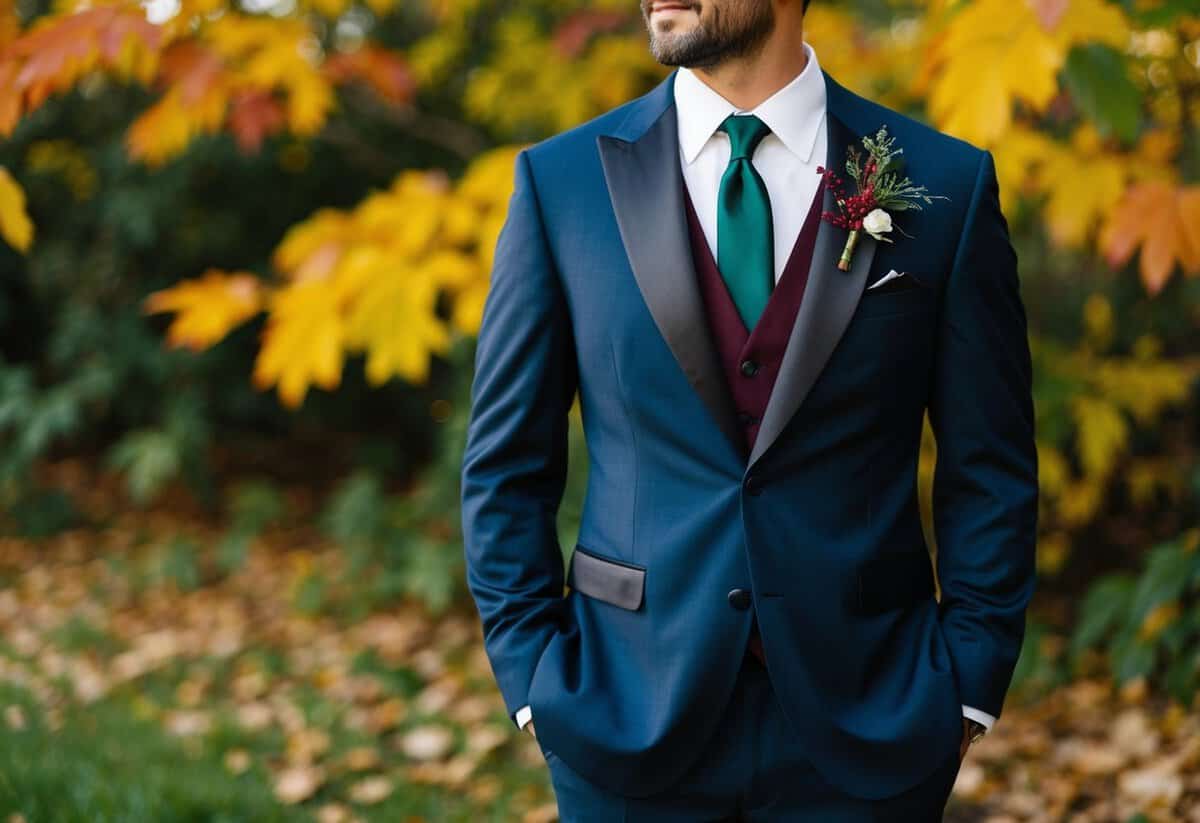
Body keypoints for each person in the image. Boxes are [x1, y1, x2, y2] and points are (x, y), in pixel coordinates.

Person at [460, 0, 1038, 819]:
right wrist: (533, 679)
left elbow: (992, 467)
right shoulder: (560, 185)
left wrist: (969, 685)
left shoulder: (945, 184)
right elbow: (505, 463)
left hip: (875, 714)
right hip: (621, 713)